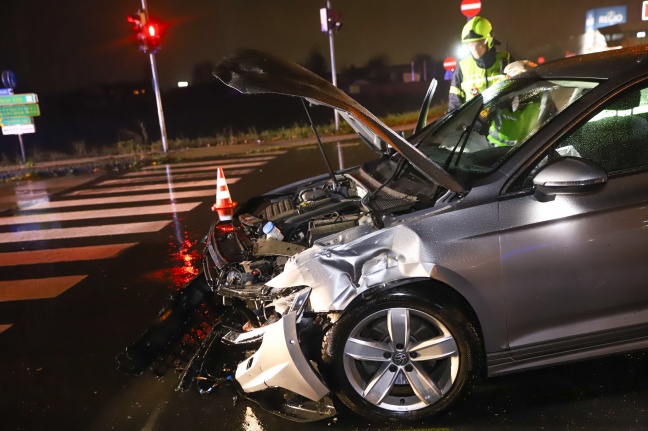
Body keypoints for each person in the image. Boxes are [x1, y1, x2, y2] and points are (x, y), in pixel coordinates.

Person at [448, 16, 512, 112]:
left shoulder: (507, 60)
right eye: (470, 44)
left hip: (506, 124)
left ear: (489, 40)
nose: (475, 49)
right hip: (474, 126)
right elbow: (454, 105)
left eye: (479, 43)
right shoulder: (462, 68)